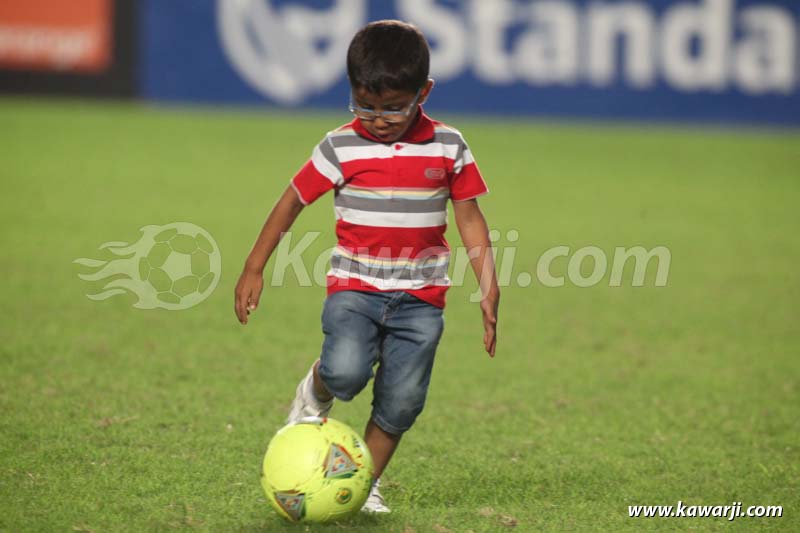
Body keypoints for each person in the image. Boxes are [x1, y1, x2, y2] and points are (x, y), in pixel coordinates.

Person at [234, 19, 500, 514]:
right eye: (365, 106)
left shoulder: (449, 146)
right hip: (354, 289)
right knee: (347, 371)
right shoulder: (339, 146)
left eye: (394, 107)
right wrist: (255, 265)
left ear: (425, 91)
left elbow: (469, 216)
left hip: (422, 301)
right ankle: (313, 393)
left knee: (401, 402)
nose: (378, 119)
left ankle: (362, 481)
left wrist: (488, 284)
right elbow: (292, 200)